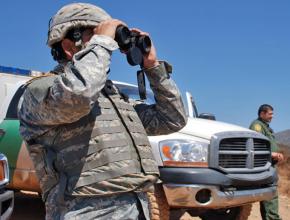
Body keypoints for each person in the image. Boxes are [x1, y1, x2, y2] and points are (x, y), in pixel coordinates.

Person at [18, 3, 187, 220]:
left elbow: (172, 119)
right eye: (94, 36)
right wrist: (103, 41)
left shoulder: (113, 98)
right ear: (69, 46)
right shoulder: (42, 91)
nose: (108, 48)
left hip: (138, 207)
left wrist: (153, 68)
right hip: (86, 212)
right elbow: (78, 96)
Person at [249, 104, 284, 220]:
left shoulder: (266, 127)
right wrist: (272, 154)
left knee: (270, 193)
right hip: (264, 165)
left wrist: (276, 154)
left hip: (270, 164)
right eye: (270, 114)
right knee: (270, 193)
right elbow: (255, 146)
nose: (272, 116)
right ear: (262, 113)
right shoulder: (257, 126)